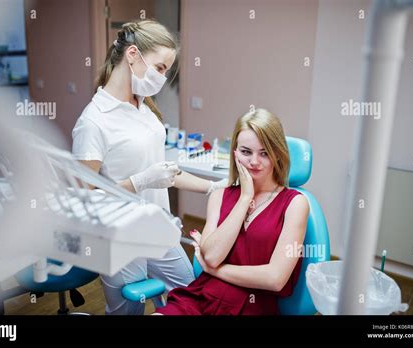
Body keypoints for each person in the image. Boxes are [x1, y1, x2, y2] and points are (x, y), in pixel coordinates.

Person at [72, 20, 225, 315]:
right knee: (127, 312)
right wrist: (140, 181)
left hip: (158, 228)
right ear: (132, 54)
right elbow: (83, 200)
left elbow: (164, 173)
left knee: (191, 295)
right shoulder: (93, 122)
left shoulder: (144, 108)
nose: (162, 77)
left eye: (166, 69)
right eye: (159, 67)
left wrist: (213, 186)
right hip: (120, 240)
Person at [153, 108, 309, 315]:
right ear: (234, 152)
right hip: (201, 298)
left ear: (277, 154)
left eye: (264, 153)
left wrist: (215, 270)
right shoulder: (220, 195)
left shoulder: (295, 204)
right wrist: (245, 198)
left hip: (253, 307)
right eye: (246, 152)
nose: (254, 161)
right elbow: (212, 256)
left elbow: (275, 279)